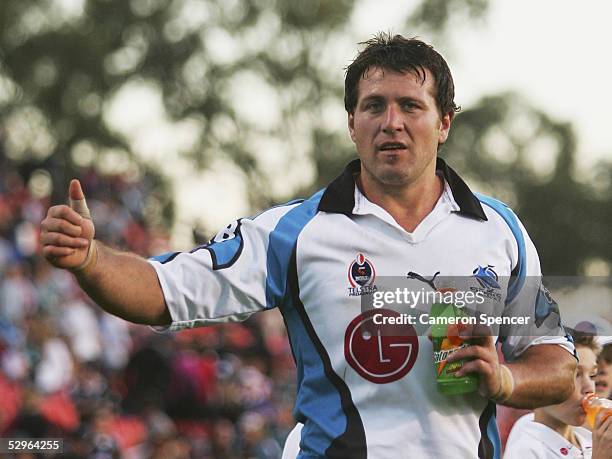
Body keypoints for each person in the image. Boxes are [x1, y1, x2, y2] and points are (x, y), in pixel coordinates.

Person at [41, 33, 577, 458]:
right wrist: (91, 259)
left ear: (443, 124)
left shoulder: (498, 230)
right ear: (352, 124)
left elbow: (557, 366)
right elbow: (165, 291)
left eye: (410, 106)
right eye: (374, 106)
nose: (391, 122)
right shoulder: (295, 232)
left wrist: (505, 378)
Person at [504, 334, 612, 458]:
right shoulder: (525, 450)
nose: (589, 388)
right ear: (537, 381)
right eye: (575, 375)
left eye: (592, 375)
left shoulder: (588, 438)